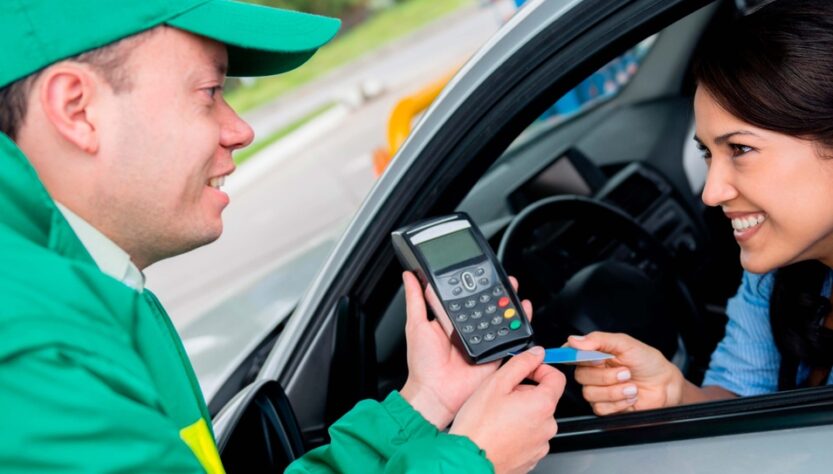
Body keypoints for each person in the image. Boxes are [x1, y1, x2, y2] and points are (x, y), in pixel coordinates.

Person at [0, 1, 564, 472]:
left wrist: (426, 403)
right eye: (209, 90)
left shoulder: (96, 289)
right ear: (77, 109)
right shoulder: (31, 356)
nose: (239, 129)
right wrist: (471, 461)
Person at [568, 0, 833, 416]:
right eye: (708, 153)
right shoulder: (777, 276)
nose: (712, 193)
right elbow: (743, 401)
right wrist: (673, 395)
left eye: (741, 149)